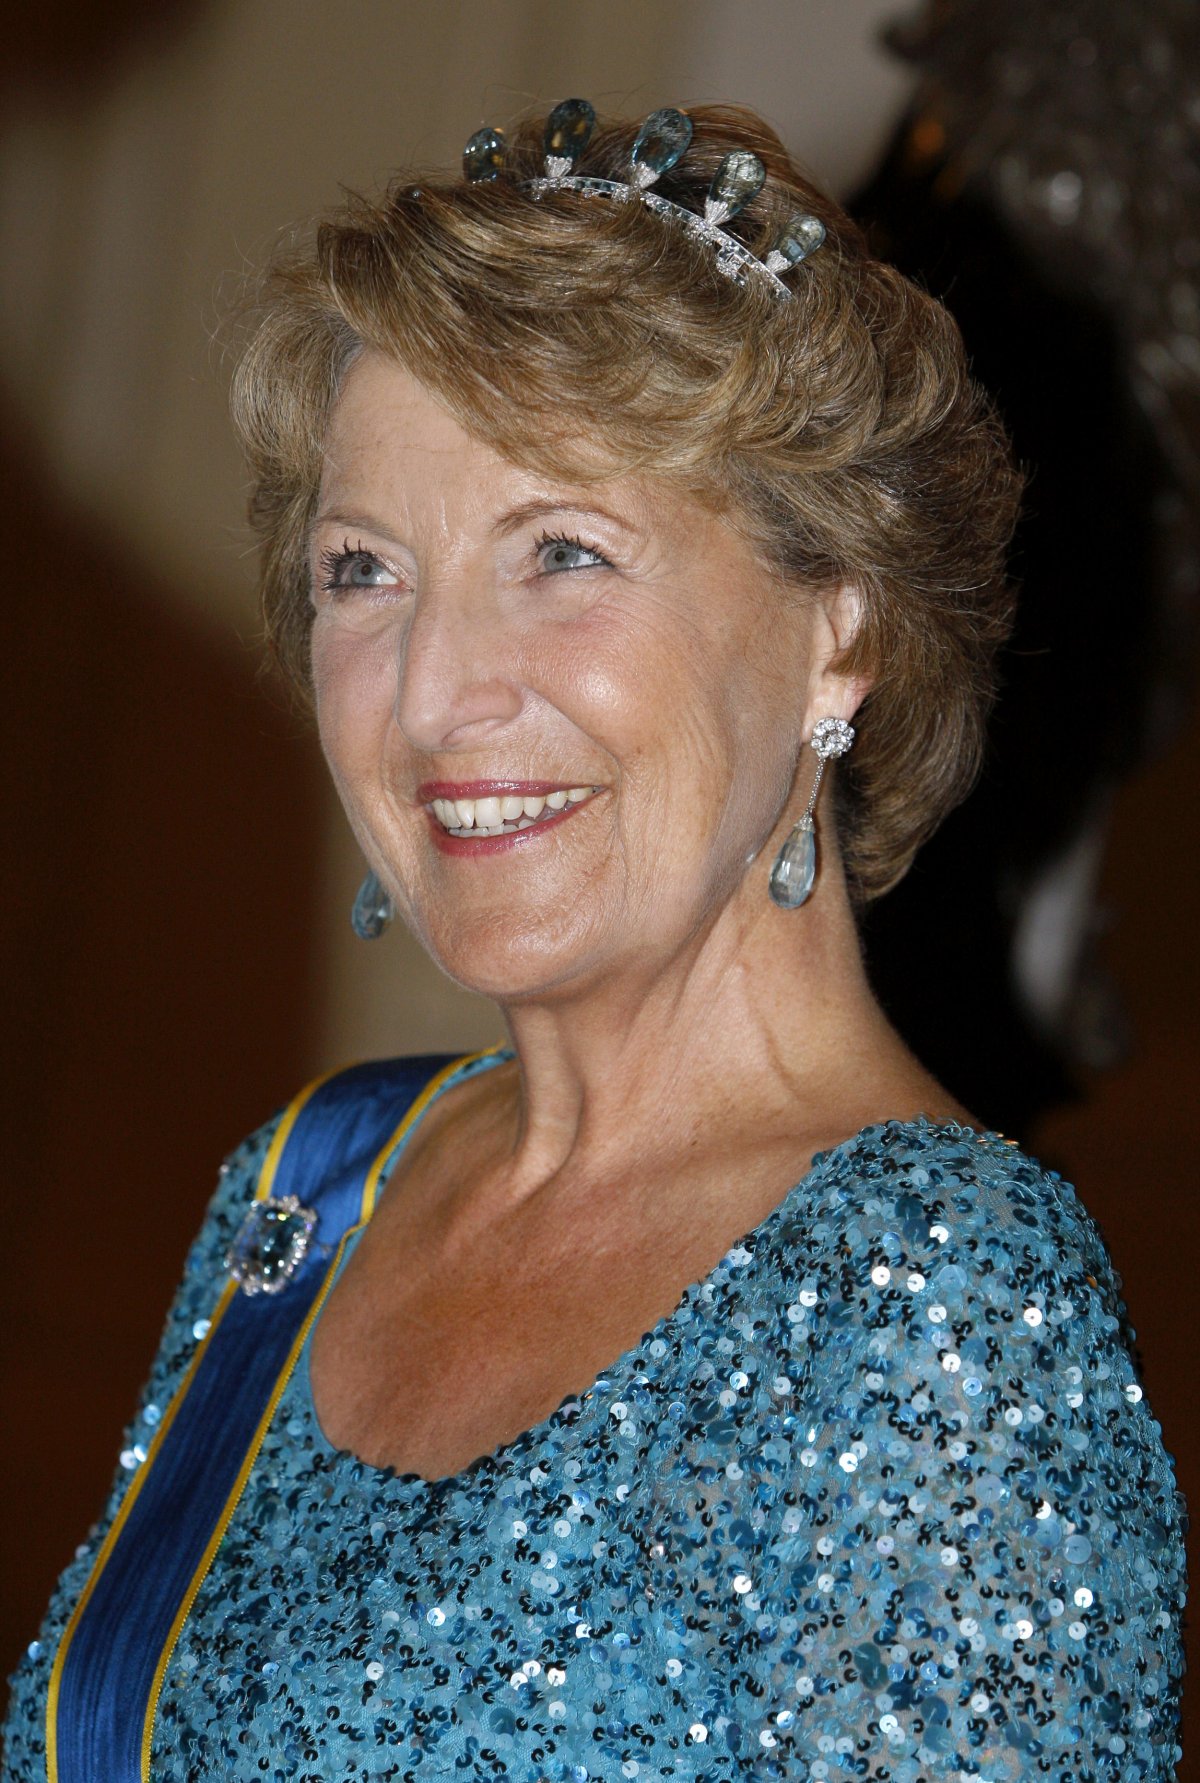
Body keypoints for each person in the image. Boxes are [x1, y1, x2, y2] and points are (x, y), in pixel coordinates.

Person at [4, 99, 1186, 1783]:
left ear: (835, 633)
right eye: (363, 573)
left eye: (561, 551)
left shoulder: (945, 1308)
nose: (429, 693)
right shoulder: (308, 1187)